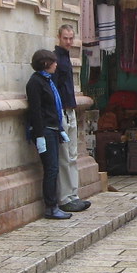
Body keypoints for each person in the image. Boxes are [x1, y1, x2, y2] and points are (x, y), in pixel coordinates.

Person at [26, 49, 71, 220]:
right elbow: (36, 111)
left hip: (53, 129)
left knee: (54, 168)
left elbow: (53, 108)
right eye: (53, 62)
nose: (56, 65)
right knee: (50, 169)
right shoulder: (35, 83)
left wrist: (60, 129)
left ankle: (55, 204)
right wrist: (39, 136)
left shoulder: (48, 81)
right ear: (45, 63)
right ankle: (51, 206)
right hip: (45, 130)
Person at [54, 25, 91, 213]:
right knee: (65, 156)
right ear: (58, 37)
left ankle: (73, 194)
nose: (68, 42)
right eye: (65, 38)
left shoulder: (67, 58)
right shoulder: (55, 59)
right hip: (62, 111)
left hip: (71, 110)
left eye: (71, 38)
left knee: (73, 154)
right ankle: (65, 197)